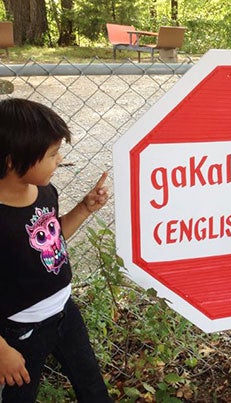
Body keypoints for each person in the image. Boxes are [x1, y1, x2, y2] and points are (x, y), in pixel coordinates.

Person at [0, 98, 112, 402]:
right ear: (12, 160)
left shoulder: (45, 192)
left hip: (65, 312)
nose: (59, 160)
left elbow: (52, 238)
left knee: (91, 384)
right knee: (20, 395)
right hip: (21, 332)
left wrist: (84, 208)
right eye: (52, 154)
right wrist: (2, 351)